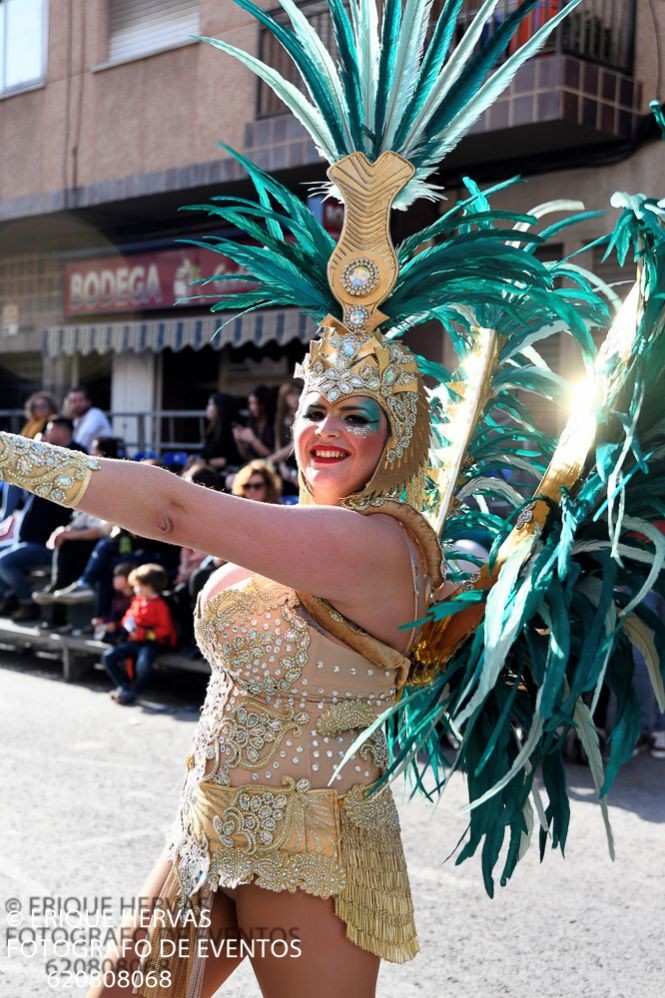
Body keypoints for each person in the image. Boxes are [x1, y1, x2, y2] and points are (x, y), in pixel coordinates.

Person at [0, 417, 86, 621]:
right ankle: (10, 596)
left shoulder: (75, 458)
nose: (47, 435)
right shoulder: (52, 458)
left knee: (3, 563)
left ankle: (27, 603)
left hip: (47, 544)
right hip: (30, 539)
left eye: (51, 430)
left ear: (64, 432)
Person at [101, 562, 178, 705]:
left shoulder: (160, 605)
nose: (135, 589)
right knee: (108, 656)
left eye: (138, 586)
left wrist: (144, 634)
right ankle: (125, 687)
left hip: (153, 643)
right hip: (135, 641)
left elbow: (164, 631)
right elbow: (128, 616)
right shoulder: (137, 601)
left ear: (149, 586)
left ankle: (135, 691)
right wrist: (127, 623)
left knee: (143, 663)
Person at [0, 391, 58, 539]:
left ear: (50, 407)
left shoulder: (51, 423)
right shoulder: (31, 424)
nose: (39, 409)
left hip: (40, 468)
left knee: (14, 481)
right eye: (36, 406)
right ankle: (6, 517)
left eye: (43, 406)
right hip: (27, 465)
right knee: (10, 479)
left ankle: (6, 517)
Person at [232, 385, 275, 462]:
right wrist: (238, 440)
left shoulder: (274, 423)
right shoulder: (251, 423)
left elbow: (271, 455)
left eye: (257, 403)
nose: (253, 407)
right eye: (251, 403)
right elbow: (247, 456)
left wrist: (253, 440)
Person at [201, 393, 242, 472]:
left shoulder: (229, 429)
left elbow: (232, 459)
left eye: (211, 404)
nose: (208, 407)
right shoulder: (212, 428)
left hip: (225, 472)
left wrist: (206, 462)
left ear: (220, 407)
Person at [65, 386, 112, 453]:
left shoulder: (95, 414)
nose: (77, 404)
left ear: (89, 401)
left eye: (81, 400)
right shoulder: (77, 420)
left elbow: (82, 440)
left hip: (105, 458)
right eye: (74, 401)